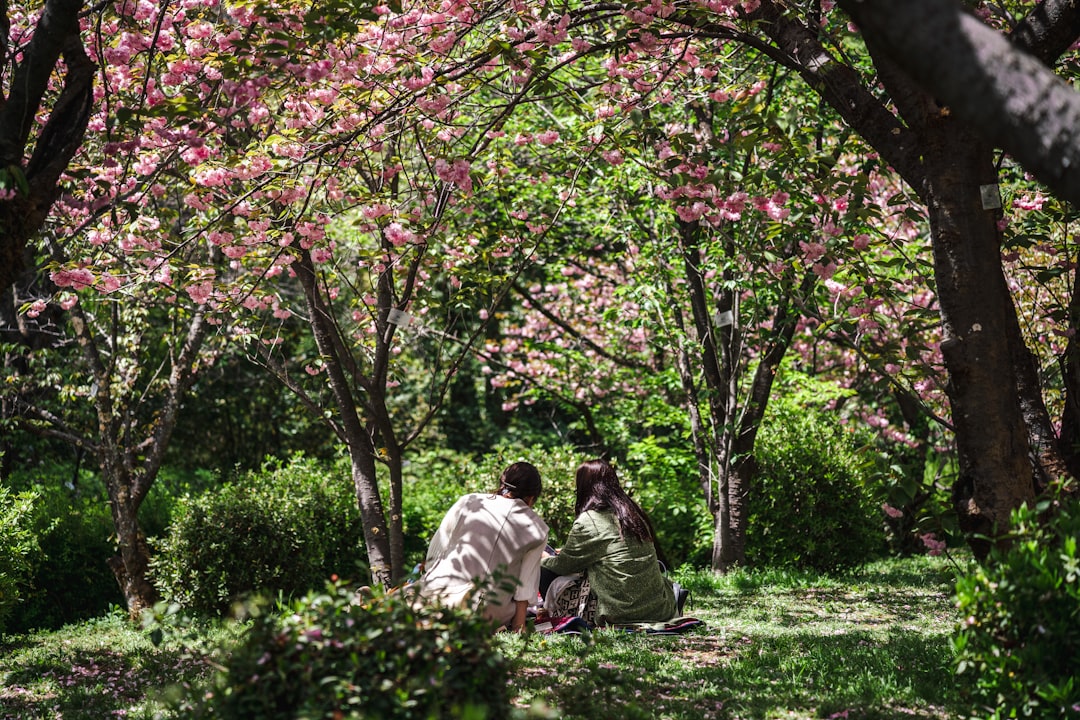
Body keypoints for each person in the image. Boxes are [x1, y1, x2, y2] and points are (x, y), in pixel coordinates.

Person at [540, 458, 675, 625]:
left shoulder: (589, 520)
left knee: (544, 569)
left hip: (618, 611)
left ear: (583, 487)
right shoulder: (633, 514)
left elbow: (564, 565)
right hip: (658, 609)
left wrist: (544, 559)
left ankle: (550, 613)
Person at [418, 461, 549, 632]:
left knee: (414, 596)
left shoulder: (469, 501)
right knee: (503, 605)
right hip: (485, 610)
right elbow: (525, 584)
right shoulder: (538, 527)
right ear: (532, 497)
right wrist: (519, 625)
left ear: (502, 484)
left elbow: (436, 549)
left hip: (438, 592)